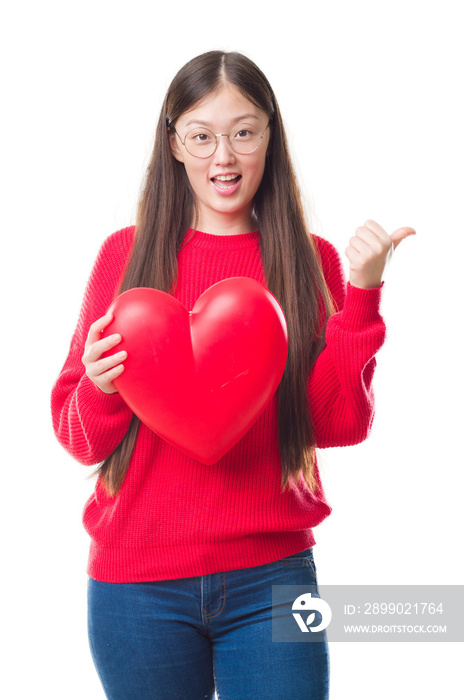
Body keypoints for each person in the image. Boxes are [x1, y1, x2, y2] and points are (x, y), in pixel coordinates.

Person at [50, 50, 415, 700]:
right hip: (138, 588)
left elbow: (339, 424)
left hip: (272, 581)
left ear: (270, 137)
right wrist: (102, 391)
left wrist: (362, 296)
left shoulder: (311, 260)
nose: (224, 156)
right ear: (175, 145)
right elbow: (79, 437)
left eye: (244, 132)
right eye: (203, 135)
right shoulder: (124, 257)